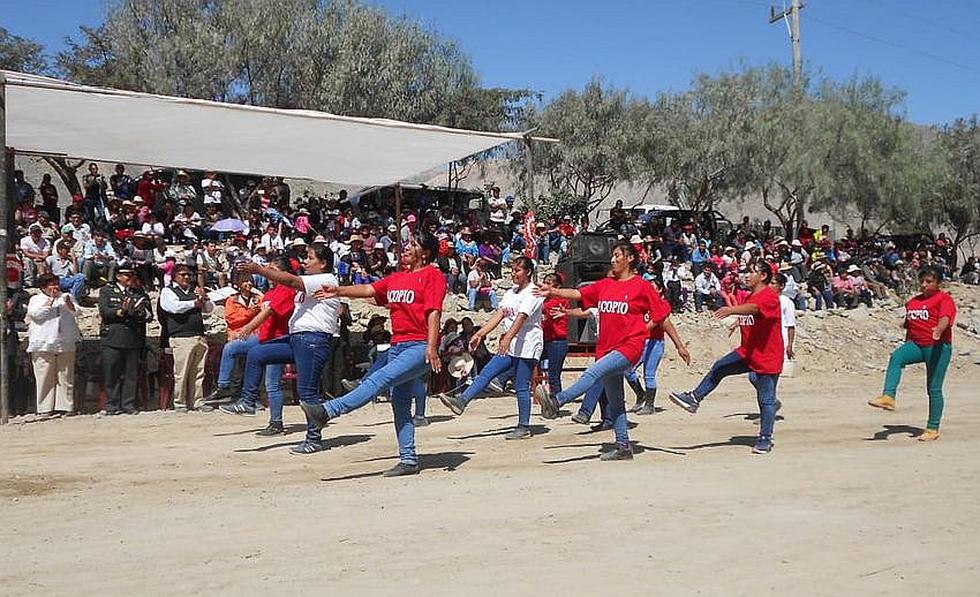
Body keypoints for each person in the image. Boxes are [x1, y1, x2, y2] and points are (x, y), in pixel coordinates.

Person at [301, 232, 446, 476]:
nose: (407, 247)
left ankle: (327, 411)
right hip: (398, 345)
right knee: (399, 405)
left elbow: (434, 312)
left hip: (419, 346)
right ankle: (409, 460)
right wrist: (337, 291)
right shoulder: (397, 277)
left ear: (427, 253)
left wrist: (432, 347)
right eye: (408, 243)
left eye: (414, 244)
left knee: (378, 380)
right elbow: (369, 289)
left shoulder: (432, 275)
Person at [535, 242, 671, 461]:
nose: (613, 259)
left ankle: (557, 402)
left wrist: (642, 330)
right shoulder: (605, 284)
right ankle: (624, 447)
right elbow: (578, 294)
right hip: (606, 346)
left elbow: (662, 312)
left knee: (593, 373)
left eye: (617, 255)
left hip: (629, 347)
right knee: (616, 401)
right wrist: (553, 291)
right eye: (612, 256)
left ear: (630, 258)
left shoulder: (641, 286)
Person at [225, 244, 342, 455]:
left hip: (313, 339)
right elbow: (286, 288)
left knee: (308, 393)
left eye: (310, 257)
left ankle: (313, 438)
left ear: (323, 263)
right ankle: (248, 401)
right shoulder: (307, 283)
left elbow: (291, 280)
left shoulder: (324, 279)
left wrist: (260, 270)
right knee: (256, 353)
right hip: (298, 338)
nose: (305, 261)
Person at [670, 261, 783, 454]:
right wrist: (737, 322)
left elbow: (755, 309)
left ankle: (765, 439)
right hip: (747, 352)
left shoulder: (769, 296)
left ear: (763, 276)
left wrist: (732, 310)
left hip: (767, 355)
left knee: (765, 400)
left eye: (752, 271)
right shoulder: (750, 295)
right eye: (747, 271)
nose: (747, 275)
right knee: (720, 367)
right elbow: (751, 312)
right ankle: (694, 398)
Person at [438, 256, 545, 439]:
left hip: (527, 344)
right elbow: (500, 314)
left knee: (521, 385)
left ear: (527, 272)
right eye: (512, 270)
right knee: (487, 372)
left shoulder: (533, 293)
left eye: (517, 270)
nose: (513, 273)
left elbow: (522, 317)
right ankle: (462, 401)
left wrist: (507, 337)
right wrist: (479, 334)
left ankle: (523, 425)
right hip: (511, 344)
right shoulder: (511, 292)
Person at [868, 267, 956, 441]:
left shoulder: (943, 299)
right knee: (896, 357)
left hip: (938, 346)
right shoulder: (913, 302)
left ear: (938, 283)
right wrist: (907, 339)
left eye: (929, 282)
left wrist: (938, 331)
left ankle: (932, 428)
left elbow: (945, 317)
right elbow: (910, 324)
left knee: (933, 388)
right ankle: (888, 396)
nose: (924, 285)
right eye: (922, 281)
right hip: (916, 344)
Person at [210, 264, 295, 436]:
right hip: (263, 336)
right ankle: (224, 387)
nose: (270, 274)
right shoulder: (270, 293)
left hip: (277, 339)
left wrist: (248, 327)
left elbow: (269, 312)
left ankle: (276, 422)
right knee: (231, 348)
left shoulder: (287, 289)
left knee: (272, 384)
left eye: (274, 270)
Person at [98, 262, 153, 415]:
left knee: (131, 374)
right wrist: (122, 311)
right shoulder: (107, 291)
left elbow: (148, 315)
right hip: (113, 338)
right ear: (118, 276)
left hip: (133, 337)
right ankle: (112, 405)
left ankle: (128, 404)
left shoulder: (138, 292)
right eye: (126, 275)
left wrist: (138, 312)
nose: (130, 278)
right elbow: (105, 312)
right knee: (112, 373)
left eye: (131, 275)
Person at [159, 264, 214, 411]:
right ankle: (180, 402)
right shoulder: (168, 291)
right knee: (181, 373)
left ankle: (197, 401)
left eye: (188, 275)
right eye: (182, 274)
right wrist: (193, 303)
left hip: (198, 335)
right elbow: (173, 307)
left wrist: (204, 297)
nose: (186, 277)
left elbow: (209, 310)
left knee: (198, 372)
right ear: (175, 276)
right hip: (181, 337)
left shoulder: (194, 291)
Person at [27, 273, 81, 417]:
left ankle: (65, 406)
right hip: (43, 342)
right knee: (44, 376)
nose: (54, 287)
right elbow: (36, 315)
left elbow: (77, 312)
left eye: (56, 283)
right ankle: (44, 408)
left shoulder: (66, 297)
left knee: (65, 376)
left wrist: (69, 304)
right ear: (43, 287)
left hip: (65, 341)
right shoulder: (36, 299)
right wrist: (49, 302)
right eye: (50, 284)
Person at [540, 273, 569, 394]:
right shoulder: (547, 299)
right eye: (545, 282)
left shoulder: (560, 299)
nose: (545, 286)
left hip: (557, 341)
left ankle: (557, 402)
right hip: (547, 339)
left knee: (553, 376)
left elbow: (545, 308)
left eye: (548, 283)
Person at [773, 273, 796, 371]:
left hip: (781, 340)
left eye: (773, 283)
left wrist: (789, 345)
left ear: (781, 286)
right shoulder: (764, 300)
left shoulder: (786, 302)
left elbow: (791, 325)